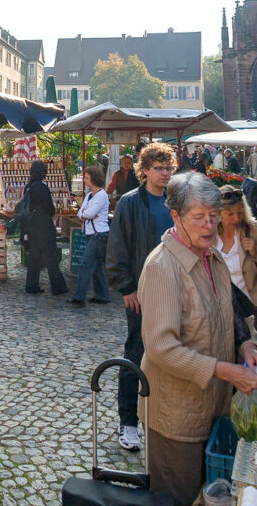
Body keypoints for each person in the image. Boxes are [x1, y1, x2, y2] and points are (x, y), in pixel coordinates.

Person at [139, 172, 257, 505]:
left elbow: (232, 311)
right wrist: (226, 371)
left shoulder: (212, 257)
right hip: (176, 415)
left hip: (215, 405)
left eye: (213, 218)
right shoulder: (163, 267)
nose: (209, 226)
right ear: (175, 217)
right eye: (198, 218)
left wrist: (248, 344)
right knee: (178, 497)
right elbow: (162, 349)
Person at [106, 143, 176, 453]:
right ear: (144, 170)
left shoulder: (177, 202)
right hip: (141, 292)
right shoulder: (131, 203)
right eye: (158, 168)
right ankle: (128, 421)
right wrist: (126, 287)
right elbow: (118, 246)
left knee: (170, 354)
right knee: (136, 354)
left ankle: (162, 418)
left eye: (168, 168)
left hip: (174, 291)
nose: (164, 173)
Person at [214, 186, 257, 330]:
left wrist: (255, 252)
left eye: (240, 212)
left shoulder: (255, 229)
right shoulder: (208, 234)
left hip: (254, 308)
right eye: (230, 214)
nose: (236, 218)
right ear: (218, 213)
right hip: (221, 310)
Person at [21, 159, 67, 296]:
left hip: (31, 226)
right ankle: (58, 287)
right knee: (51, 257)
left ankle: (31, 285)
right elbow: (50, 209)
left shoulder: (28, 186)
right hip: (44, 226)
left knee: (34, 257)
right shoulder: (42, 187)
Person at [68, 164, 111, 306]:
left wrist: (83, 213)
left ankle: (80, 296)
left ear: (94, 179)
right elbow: (82, 212)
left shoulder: (101, 195)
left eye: (87, 178)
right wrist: (83, 213)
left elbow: (88, 213)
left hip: (99, 234)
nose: (85, 180)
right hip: (91, 233)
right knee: (97, 266)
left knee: (86, 264)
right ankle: (102, 295)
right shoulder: (90, 195)